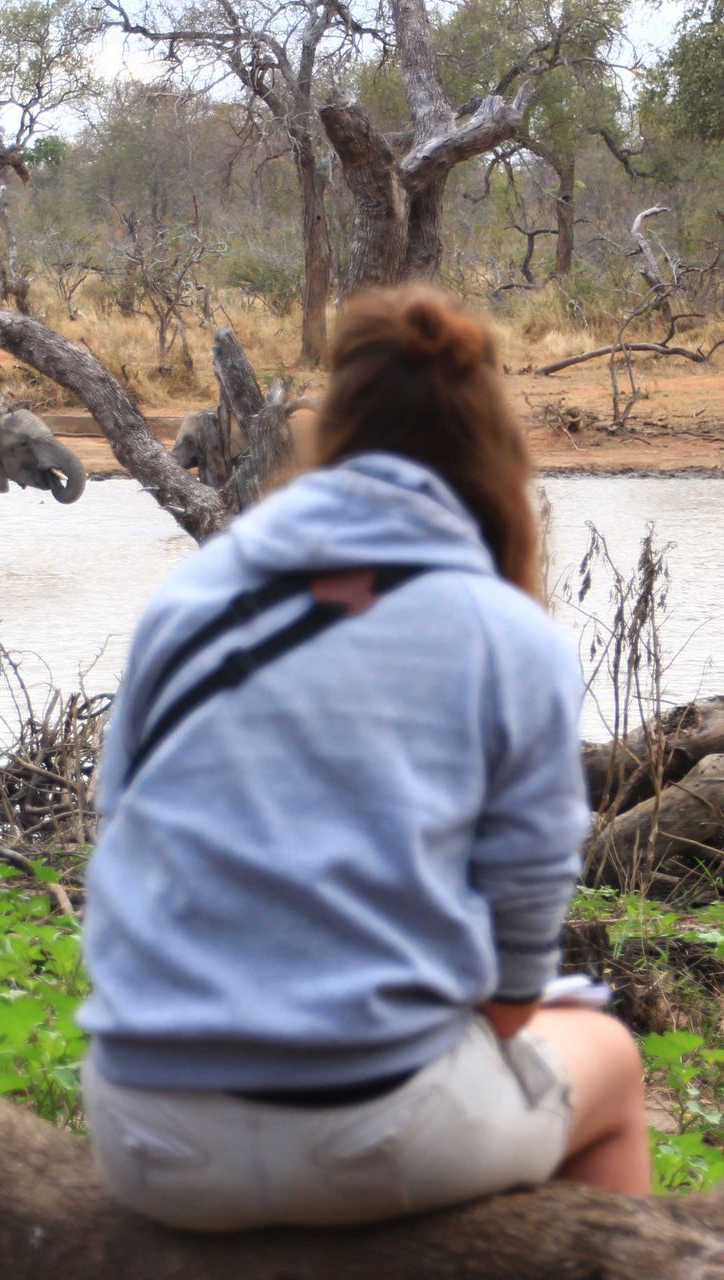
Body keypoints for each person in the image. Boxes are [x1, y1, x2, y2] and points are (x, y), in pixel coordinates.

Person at [77, 285, 651, 1231]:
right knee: (612, 1061)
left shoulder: (187, 604)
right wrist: (495, 1026)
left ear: (326, 436)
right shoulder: (505, 631)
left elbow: (120, 825)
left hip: (148, 1133)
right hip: (378, 1135)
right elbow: (530, 883)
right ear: (492, 452)